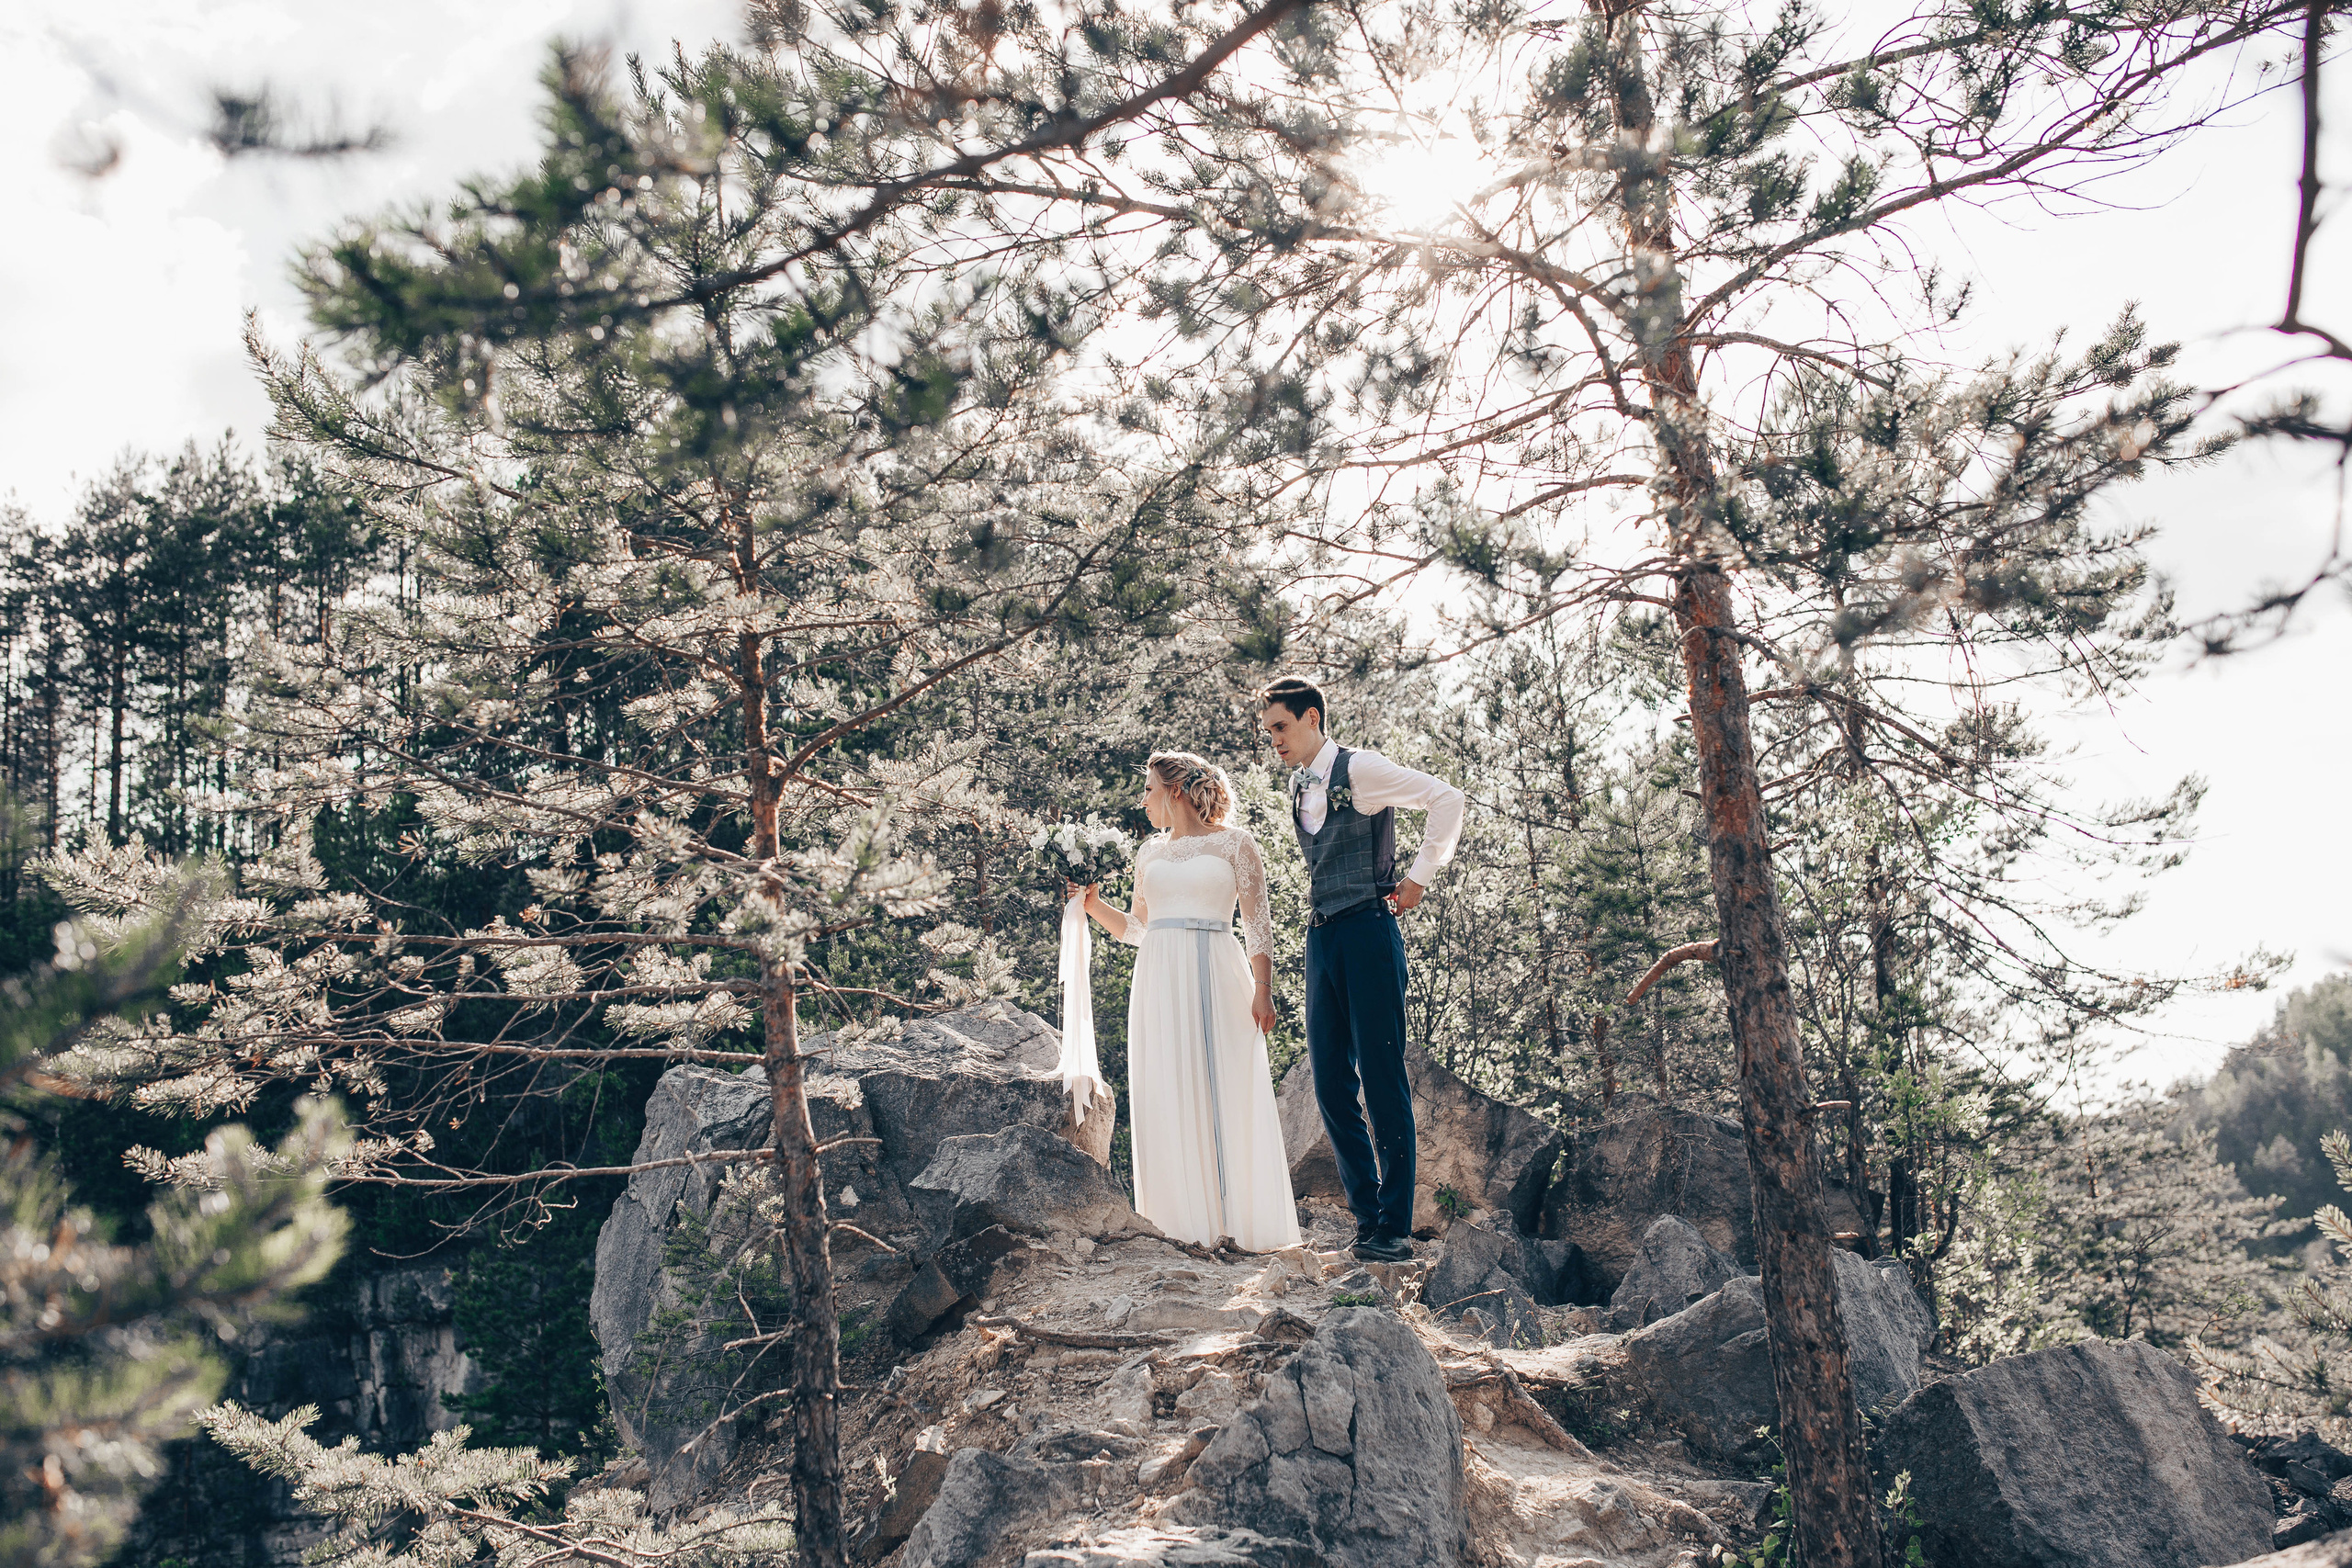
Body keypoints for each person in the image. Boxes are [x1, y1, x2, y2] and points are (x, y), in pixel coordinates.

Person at [1259, 675, 1464, 1262]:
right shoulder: (1298, 783)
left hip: (1370, 930)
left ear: (1312, 718)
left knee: (1381, 1075)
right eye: (1268, 731)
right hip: (1322, 937)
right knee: (1329, 1081)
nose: (1275, 740)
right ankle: (1367, 1217)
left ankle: (1394, 1227)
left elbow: (1447, 799)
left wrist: (1418, 877)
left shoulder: (1363, 769)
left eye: (1281, 727)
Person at [1068, 752, 1301, 1253]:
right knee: (1168, 1084)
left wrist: (1263, 988)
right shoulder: (1148, 853)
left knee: (1228, 1084)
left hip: (1220, 968)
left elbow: (1258, 925)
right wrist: (1093, 905)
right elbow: (1137, 928)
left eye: (1149, 789)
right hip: (1158, 975)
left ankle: (1243, 1224)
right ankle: (1181, 1226)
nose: (1143, 800)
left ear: (1175, 791)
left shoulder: (1236, 843)